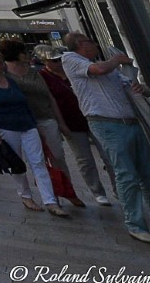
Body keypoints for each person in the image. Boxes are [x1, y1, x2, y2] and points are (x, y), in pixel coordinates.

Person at [60, 32, 150, 245]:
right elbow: (98, 69)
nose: (95, 44)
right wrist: (117, 60)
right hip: (106, 124)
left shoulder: (112, 71)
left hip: (131, 123)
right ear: (80, 45)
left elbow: (142, 91)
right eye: (91, 41)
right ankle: (135, 225)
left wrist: (143, 89)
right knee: (127, 175)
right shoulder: (71, 60)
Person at [0, 48, 66, 216]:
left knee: (38, 162)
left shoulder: (10, 80)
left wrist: (34, 124)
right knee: (17, 164)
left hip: (27, 125)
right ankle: (26, 196)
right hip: (6, 128)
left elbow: (24, 103)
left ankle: (50, 201)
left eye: (2, 62)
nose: (3, 65)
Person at [0, 41, 81, 207]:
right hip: (24, 123)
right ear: (15, 53)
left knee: (58, 156)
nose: (27, 54)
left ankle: (68, 191)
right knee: (36, 161)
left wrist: (61, 122)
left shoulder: (33, 72)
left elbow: (49, 97)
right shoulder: (4, 73)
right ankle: (49, 196)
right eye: (23, 51)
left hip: (46, 117)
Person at [39, 49, 114, 207]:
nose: (58, 62)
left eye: (59, 59)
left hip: (94, 117)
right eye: (54, 60)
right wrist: (61, 124)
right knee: (84, 159)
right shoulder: (43, 77)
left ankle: (118, 189)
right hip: (71, 122)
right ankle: (98, 192)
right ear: (44, 61)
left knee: (109, 155)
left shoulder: (72, 69)